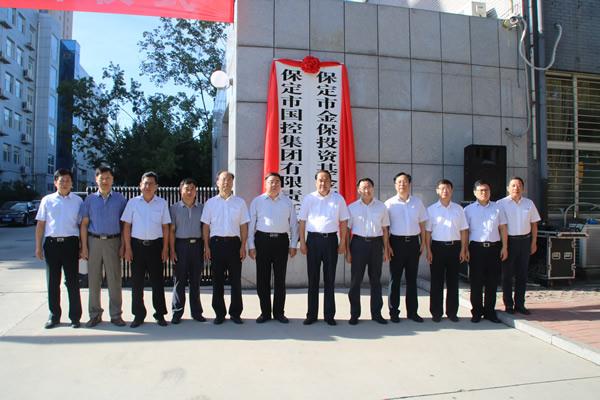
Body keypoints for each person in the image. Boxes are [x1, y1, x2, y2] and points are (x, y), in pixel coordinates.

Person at [298, 170, 349, 326]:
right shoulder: (309, 198)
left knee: (330, 279)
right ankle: (311, 315)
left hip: (331, 241)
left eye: (326, 180)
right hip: (313, 240)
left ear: (331, 182)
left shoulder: (338, 199)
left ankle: (329, 315)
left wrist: (342, 242)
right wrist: (302, 242)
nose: (323, 183)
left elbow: (344, 222)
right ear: (316, 182)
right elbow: (302, 222)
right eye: (320, 180)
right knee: (313, 279)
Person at [35, 168, 83, 329]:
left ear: (72, 183)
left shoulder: (78, 201)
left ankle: (75, 317)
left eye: (68, 180)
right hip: (52, 244)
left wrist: (83, 246)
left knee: (72, 281)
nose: (65, 183)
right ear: (55, 182)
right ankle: (54, 316)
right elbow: (41, 224)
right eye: (61, 180)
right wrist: (38, 247)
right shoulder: (47, 200)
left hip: (71, 244)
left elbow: (82, 226)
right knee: (52, 282)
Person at [121, 171, 171, 328]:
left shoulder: (162, 203)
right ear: (140, 185)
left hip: (156, 247)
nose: (148, 186)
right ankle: (138, 315)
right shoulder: (132, 203)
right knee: (137, 284)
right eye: (145, 183)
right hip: (137, 247)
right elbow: (127, 226)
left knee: (158, 283)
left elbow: (165, 227)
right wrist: (128, 248)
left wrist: (165, 248)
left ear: (156, 186)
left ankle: (160, 314)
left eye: (151, 183)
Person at [80, 165, 127, 328]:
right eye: (102, 178)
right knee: (94, 280)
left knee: (114, 279)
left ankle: (116, 315)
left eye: (108, 178)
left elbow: (124, 225)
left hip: (113, 241)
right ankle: (95, 314)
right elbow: (84, 224)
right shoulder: (89, 200)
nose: (105, 181)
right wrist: (84, 247)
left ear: (112, 180)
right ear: (96, 179)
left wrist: (124, 245)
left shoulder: (120, 199)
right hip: (94, 241)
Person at [248, 172, 298, 324]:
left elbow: (294, 225)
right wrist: (251, 245)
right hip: (262, 241)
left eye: (277, 181)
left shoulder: (287, 202)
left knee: (280, 279)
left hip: (281, 242)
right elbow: (251, 226)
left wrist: (293, 245)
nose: (274, 184)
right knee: (262, 279)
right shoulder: (257, 201)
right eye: (271, 182)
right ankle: (265, 313)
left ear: (281, 184)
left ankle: (279, 313)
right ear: (266, 184)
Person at [201, 171, 249, 325]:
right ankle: (219, 313)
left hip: (234, 244)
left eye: (229, 180)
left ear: (233, 183)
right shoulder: (210, 203)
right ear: (217, 182)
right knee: (217, 280)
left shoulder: (240, 203)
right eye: (223, 180)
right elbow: (206, 226)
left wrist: (243, 245)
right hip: (216, 244)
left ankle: (235, 313)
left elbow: (243, 226)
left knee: (236, 281)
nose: (226, 183)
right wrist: (206, 247)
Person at [384, 172, 428, 323]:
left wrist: (423, 242)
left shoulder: (417, 202)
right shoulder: (389, 204)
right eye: (399, 182)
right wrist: (387, 246)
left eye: (405, 182)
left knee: (412, 279)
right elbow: (385, 228)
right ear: (395, 185)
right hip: (396, 243)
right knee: (395, 279)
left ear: (409, 184)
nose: (402, 184)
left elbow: (422, 224)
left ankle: (412, 312)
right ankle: (393, 312)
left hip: (413, 243)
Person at [346, 178, 390, 325]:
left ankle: (376, 313)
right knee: (355, 281)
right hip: (358, 244)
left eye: (369, 187)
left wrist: (386, 249)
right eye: (363, 188)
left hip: (376, 244)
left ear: (373, 188)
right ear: (358, 190)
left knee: (376, 280)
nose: (367, 190)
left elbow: (385, 229)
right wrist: (347, 251)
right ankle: (354, 314)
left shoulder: (381, 207)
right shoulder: (352, 207)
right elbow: (347, 231)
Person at [463, 180, 508, 323]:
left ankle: (490, 312)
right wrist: (465, 248)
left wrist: (505, 247)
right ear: (475, 192)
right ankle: (476, 312)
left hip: (494, 248)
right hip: (476, 249)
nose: (484, 193)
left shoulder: (498, 208)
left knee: (492, 282)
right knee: (476, 282)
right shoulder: (468, 210)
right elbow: (465, 231)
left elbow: (503, 228)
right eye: (481, 190)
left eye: (486, 190)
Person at [425, 179, 469, 322]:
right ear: (437, 191)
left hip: (455, 248)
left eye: (448, 188)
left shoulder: (459, 209)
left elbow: (463, 230)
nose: (445, 191)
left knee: (453, 282)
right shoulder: (431, 210)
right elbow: (427, 232)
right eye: (442, 188)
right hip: (437, 248)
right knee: (436, 282)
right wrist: (428, 250)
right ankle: (436, 313)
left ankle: (452, 312)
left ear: (452, 190)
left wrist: (463, 249)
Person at [497, 177, 540, 315]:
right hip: (509, 242)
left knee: (522, 274)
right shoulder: (501, 204)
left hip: (525, 241)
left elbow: (534, 224)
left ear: (523, 188)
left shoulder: (529, 203)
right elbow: (499, 227)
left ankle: (520, 304)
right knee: (507, 275)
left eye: (519, 185)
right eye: (513, 185)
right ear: (508, 188)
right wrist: (503, 246)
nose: (516, 188)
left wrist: (533, 242)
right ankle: (508, 304)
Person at [169, 178, 206, 324]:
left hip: (197, 245)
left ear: (196, 191)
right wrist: (172, 250)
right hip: (181, 245)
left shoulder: (202, 208)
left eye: (192, 189)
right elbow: (171, 231)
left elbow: (205, 229)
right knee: (179, 280)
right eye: (186, 189)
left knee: (195, 280)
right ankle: (177, 312)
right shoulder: (174, 208)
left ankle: (196, 312)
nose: (189, 192)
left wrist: (206, 247)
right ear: (181, 190)